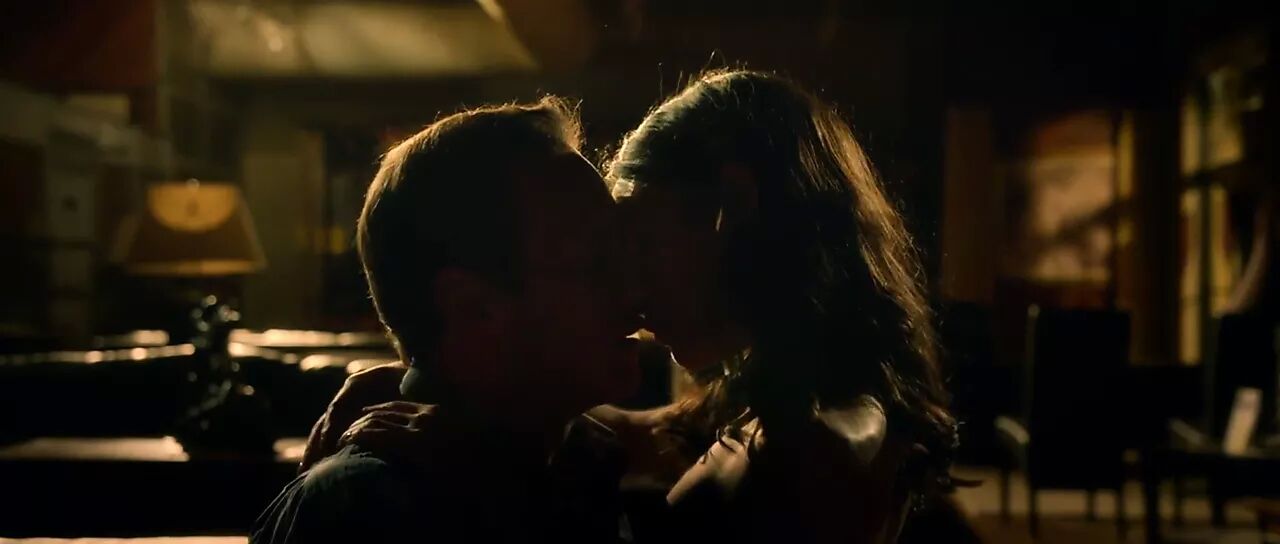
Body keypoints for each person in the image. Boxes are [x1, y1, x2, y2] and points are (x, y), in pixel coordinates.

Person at [320, 69, 959, 543]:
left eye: (640, 247)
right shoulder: (784, 396)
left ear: (730, 212)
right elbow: (632, 430)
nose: (629, 288)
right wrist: (435, 389)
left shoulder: (821, 447)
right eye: (602, 259)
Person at [251, 98, 643, 543]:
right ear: (472, 309)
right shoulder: (366, 510)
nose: (636, 290)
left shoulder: (577, 467)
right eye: (597, 265)